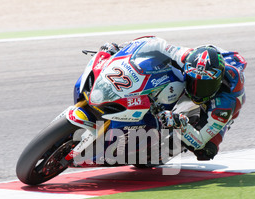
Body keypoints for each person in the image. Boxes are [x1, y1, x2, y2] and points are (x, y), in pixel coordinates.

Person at [99, 36, 247, 161]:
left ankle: (166, 143)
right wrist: (120, 49)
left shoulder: (226, 101)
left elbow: (200, 140)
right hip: (206, 58)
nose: (197, 90)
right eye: (193, 81)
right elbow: (155, 43)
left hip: (225, 100)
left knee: (206, 151)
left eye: (205, 85)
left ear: (218, 81)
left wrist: (182, 125)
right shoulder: (185, 56)